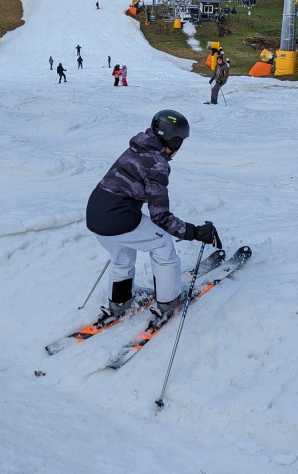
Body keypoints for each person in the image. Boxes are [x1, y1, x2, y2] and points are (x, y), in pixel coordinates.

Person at [86, 109, 221, 321]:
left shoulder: (137, 147)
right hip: (118, 218)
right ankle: (169, 300)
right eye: (180, 142)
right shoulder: (157, 164)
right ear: (174, 142)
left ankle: (120, 300)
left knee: (122, 256)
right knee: (163, 243)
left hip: (95, 215)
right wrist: (194, 232)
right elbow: (160, 217)